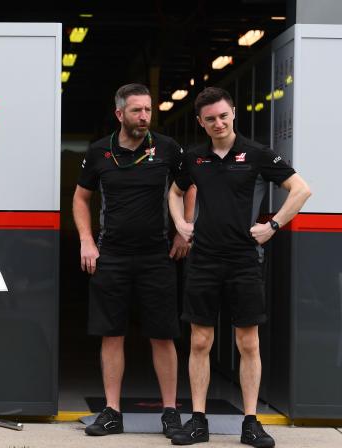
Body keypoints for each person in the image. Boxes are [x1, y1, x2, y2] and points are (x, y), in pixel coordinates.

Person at [168, 87, 311, 447]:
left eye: (223, 115)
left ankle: (250, 422)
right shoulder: (194, 158)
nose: (219, 123)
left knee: (248, 342)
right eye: (210, 118)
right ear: (201, 122)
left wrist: (273, 225)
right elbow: (174, 191)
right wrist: (181, 225)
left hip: (244, 260)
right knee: (200, 341)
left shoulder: (258, 154)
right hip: (203, 260)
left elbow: (301, 190)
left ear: (234, 113)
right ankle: (198, 421)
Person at [74, 83, 193, 438]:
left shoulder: (168, 148)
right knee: (112, 334)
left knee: (163, 335)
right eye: (137, 110)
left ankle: (170, 412)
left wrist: (183, 229)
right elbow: (81, 200)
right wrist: (86, 241)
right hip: (110, 255)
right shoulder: (98, 152)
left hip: (158, 256)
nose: (144, 117)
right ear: (119, 114)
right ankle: (111, 412)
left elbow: (190, 186)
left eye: (148, 110)